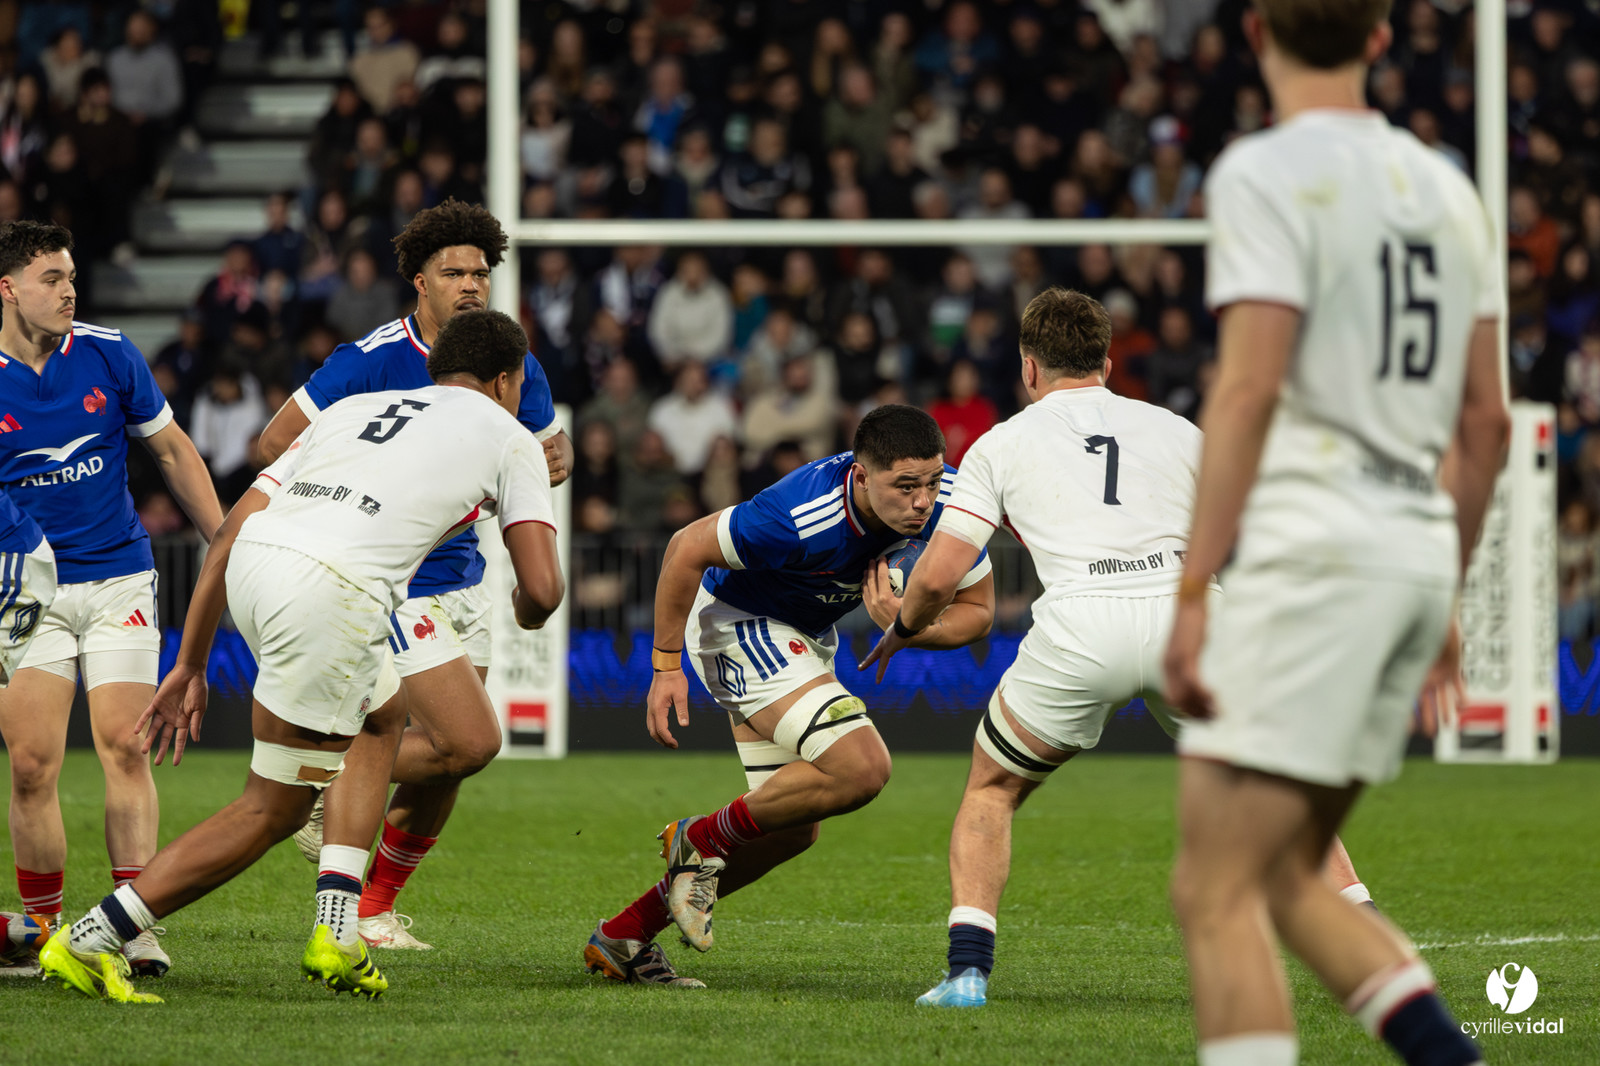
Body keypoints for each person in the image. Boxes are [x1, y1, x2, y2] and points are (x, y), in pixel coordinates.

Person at [1160, 0, 1507, 1062]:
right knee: (1286, 873)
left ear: (1254, 30)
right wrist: (1441, 586)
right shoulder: (1450, 190)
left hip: (1316, 549)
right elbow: (1484, 420)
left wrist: (1189, 592)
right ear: (1381, 36)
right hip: (1404, 548)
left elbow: (1249, 386)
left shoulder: (1264, 172)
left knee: (1211, 890)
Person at [866, 289, 1377, 1009]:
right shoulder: (1175, 429)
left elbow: (940, 576)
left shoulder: (1002, 443)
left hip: (1081, 626)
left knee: (993, 790)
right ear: (1107, 362)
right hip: (1189, 618)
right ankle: (1371, 949)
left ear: (1029, 369)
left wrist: (905, 624)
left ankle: (967, 975)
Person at [38, 309, 564, 1004]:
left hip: (258, 569)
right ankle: (88, 938)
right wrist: (529, 614)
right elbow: (543, 588)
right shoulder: (509, 432)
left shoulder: (358, 410)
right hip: (333, 591)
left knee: (384, 714)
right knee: (271, 808)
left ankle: (336, 929)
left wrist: (190, 662)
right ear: (507, 380)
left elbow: (230, 530)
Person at [583, 405, 995, 987]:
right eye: (904, 487)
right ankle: (696, 837)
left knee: (792, 826)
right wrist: (665, 666)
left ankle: (625, 935)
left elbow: (978, 614)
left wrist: (911, 629)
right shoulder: (798, 514)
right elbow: (684, 549)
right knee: (862, 766)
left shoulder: (951, 504)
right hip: (737, 620)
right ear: (860, 474)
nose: (923, 501)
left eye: (930, 481)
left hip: (802, 635)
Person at [256, 200, 574, 950]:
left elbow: (551, 456)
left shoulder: (510, 357)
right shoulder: (368, 359)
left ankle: (371, 908)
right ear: (419, 283)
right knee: (466, 740)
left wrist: (535, 468)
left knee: (450, 765)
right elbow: (275, 440)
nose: (470, 284)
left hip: (466, 576)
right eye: (453, 272)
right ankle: (324, 775)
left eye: (480, 272)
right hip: (390, 580)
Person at [0, 221, 222, 979]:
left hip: (119, 577)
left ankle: (133, 924)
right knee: (31, 764)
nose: (68, 291)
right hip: (26, 594)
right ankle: (41, 931)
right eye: (51, 279)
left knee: (125, 744)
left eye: (70, 277)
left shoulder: (109, 352)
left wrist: (224, 541)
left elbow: (171, 450)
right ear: (9, 289)